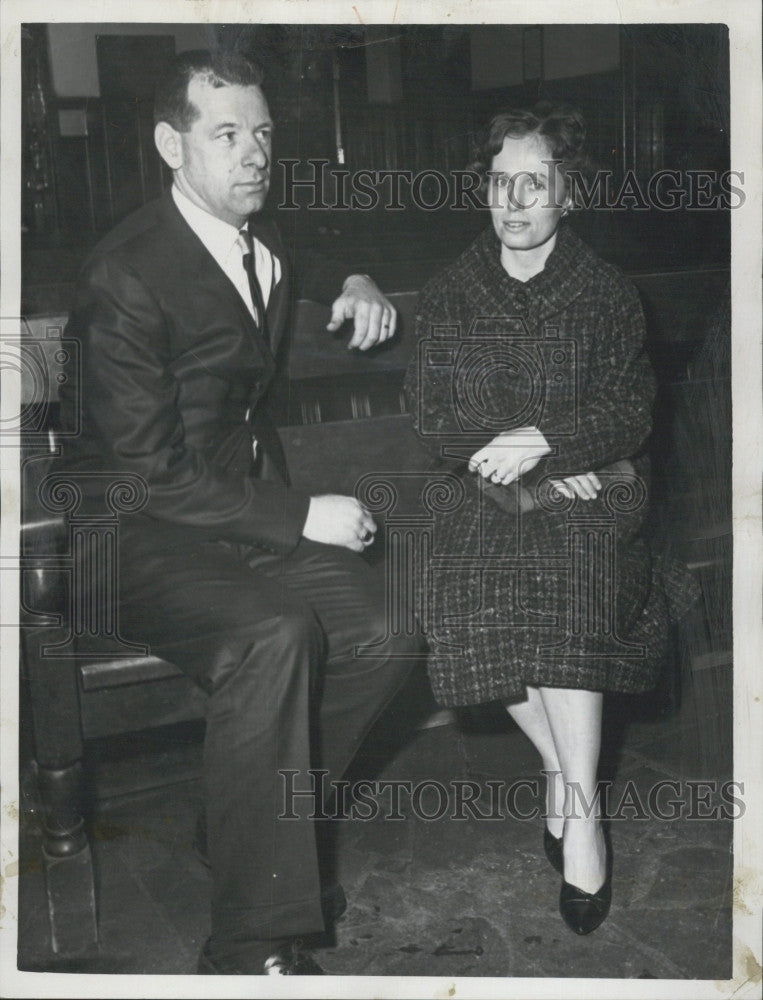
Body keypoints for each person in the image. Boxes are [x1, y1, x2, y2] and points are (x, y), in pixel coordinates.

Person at [59, 49, 420, 975]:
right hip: (125, 536)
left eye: (262, 133)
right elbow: (145, 474)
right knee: (275, 634)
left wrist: (355, 277)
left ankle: (245, 818)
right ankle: (253, 939)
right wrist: (302, 517)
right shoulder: (124, 275)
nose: (253, 152)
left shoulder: (257, 240)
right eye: (226, 134)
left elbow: (292, 251)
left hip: (232, 528)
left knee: (384, 631)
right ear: (170, 145)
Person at [405, 104, 693, 936]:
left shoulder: (605, 293)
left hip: (594, 490)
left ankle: (583, 829)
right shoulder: (451, 292)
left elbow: (631, 410)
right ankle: (575, 784)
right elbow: (430, 418)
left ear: (569, 196)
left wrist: (557, 445)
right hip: (482, 494)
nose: (515, 200)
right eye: (501, 182)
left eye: (536, 183)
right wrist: (527, 458)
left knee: (571, 577)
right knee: (470, 598)